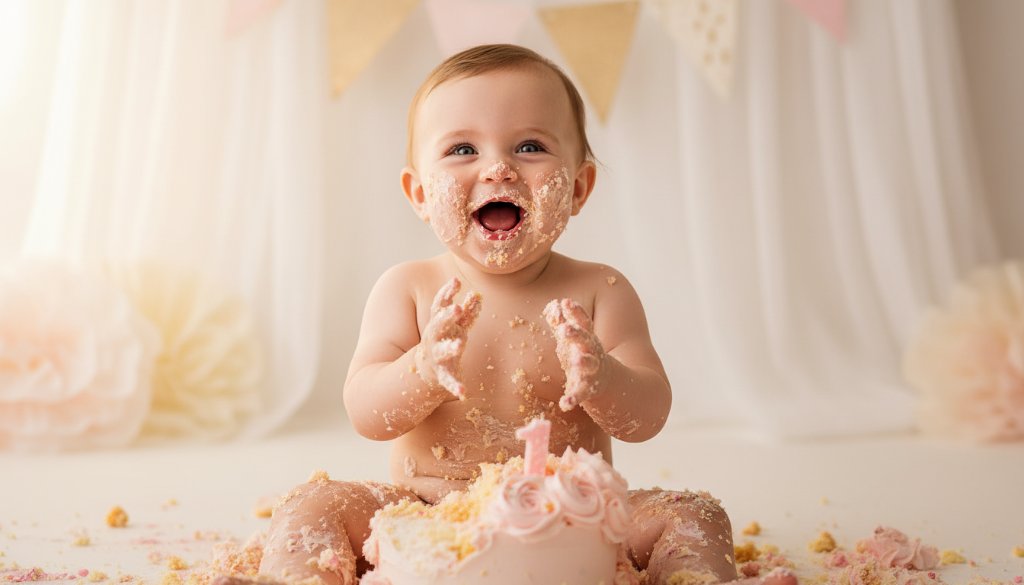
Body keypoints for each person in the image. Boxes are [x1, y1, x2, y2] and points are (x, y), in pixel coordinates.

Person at [237, 44, 797, 585]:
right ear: (419, 194)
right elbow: (366, 412)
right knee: (315, 503)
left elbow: (647, 417)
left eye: (530, 146)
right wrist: (424, 368)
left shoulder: (599, 291)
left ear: (578, 187)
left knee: (693, 510)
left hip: (575, 515)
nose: (498, 168)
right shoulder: (408, 289)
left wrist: (603, 376)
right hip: (426, 511)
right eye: (462, 150)